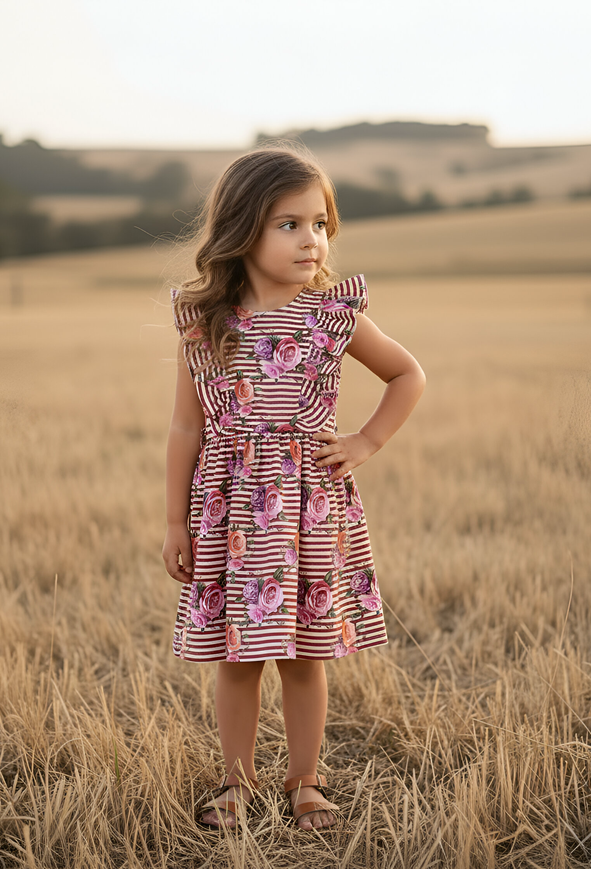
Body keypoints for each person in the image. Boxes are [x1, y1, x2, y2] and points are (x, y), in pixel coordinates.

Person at [162, 147, 425, 832]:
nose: (313, 240)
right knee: (238, 655)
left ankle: (306, 781)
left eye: (320, 224)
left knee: (306, 654)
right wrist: (174, 522)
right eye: (290, 224)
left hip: (308, 510)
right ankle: (236, 782)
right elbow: (186, 429)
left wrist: (365, 441)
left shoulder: (331, 316)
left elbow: (407, 374)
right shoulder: (205, 323)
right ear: (242, 228)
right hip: (231, 515)